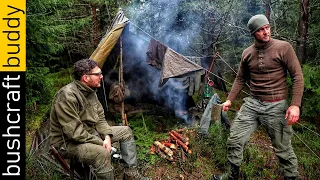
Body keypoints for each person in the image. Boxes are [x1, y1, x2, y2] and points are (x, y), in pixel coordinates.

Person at [221, 14, 304, 180]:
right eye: (260, 30)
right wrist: (230, 99)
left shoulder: (284, 47)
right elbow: (240, 79)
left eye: (267, 27)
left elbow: (297, 76)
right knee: (235, 140)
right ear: (253, 33)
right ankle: (232, 175)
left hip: (277, 105)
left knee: (283, 149)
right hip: (252, 104)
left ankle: (291, 177)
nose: (266, 32)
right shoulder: (247, 53)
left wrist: (295, 105)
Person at [49, 59, 150, 180]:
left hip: (89, 133)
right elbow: (74, 133)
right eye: (98, 74)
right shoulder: (67, 96)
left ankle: (131, 175)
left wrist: (107, 136)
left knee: (125, 131)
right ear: (86, 78)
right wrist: (101, 142)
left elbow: (100, 119)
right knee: (102, 153)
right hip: (67, 143)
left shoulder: (90, 92)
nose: (102, 77)